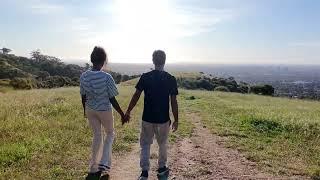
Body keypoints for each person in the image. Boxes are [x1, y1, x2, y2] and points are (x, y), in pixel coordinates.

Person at [125, 50, 179, 180]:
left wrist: (128, 111)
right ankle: (161, 169)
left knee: (145, 145)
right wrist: (176, 119)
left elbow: (136, 95)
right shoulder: (170, 79)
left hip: (147, 118)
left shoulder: (145, 77)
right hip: (163, 119)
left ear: (153, 61)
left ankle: (144, 173)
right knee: (163, 144)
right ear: (164, 61)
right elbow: (173, 101)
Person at [80, 46, 127, 180]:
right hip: (104, 110)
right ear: (104, 60)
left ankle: (93, 167)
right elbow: (112, 98)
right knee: (110, 133)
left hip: (90, 109)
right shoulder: (107, 77)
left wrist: (85, 110)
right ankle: (104, 164)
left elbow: (83, 96)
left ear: (92, 60)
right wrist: (122, 114)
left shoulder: (84, 76)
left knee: (97, 135)